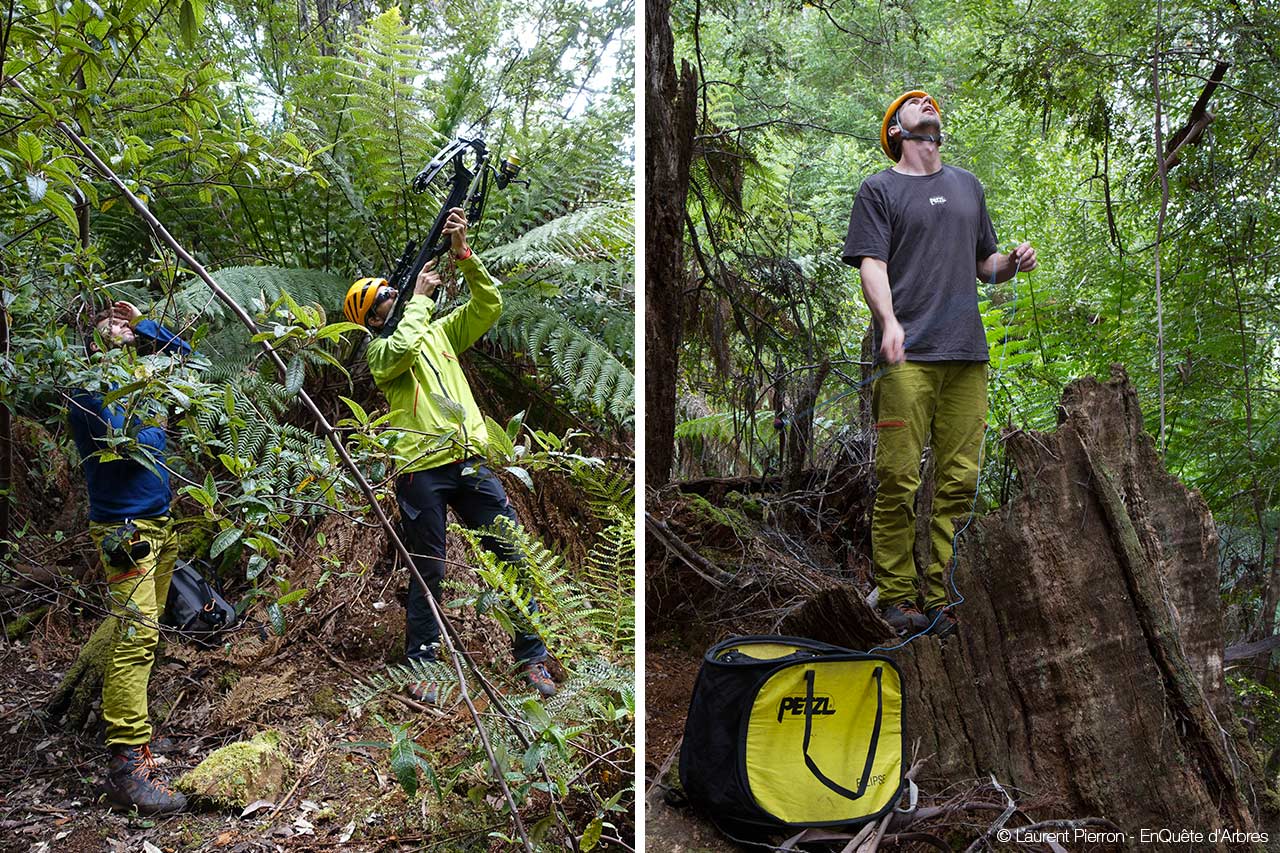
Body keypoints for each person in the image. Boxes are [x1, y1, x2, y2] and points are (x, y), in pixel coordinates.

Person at [841, 91, 1038, 637]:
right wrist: (890, 323)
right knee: (899, 478)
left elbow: (985, 267)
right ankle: (898, 597)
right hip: (908, 360)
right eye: (912, 103)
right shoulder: (880, 189)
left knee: (958, 481)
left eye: (929, 101)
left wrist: (1013, 263)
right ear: (896, 132)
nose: (925, 102)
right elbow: (871, 265)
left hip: (967, 359)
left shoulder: (968, 186)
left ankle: (941, 594)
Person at [344, 207, 557, 704]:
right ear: (373, 320)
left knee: (509, 554)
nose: (396, 302)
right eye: (385, 303)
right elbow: (400, 352)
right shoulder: (380, 353)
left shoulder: (439, 333)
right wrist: (416, 302)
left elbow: (489, 305)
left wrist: (463, 254)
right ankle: (421, 662)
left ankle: (532, 655)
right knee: (429, 567)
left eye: (394, 295)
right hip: (420, 470)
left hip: (469, 461)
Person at [67, 301, 193, 814]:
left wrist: (146, 324)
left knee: (149, 630)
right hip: (125, 529)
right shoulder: (87, 386)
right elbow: (120, 444)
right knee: (135, 636)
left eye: (123, 323)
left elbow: (186, 359)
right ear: (92, 339)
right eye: (110, 323)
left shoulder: (142, 375)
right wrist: (156, 416)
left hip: (160, 522)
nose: (119, 327)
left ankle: (138, 740)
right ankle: (124, 766)